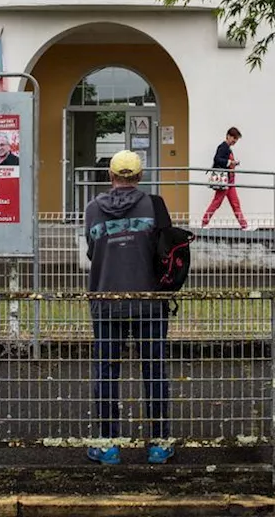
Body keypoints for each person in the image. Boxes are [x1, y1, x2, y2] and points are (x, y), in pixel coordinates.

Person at [84, 149, 174, 466]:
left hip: (106, 301)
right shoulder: (155, 206)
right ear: (139, 176)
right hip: (149, 301)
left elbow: (93, 251)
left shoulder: (93, 209)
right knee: (154, 370)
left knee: (107, 371)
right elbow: (167, 251)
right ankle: (159, 444)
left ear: (111, 175)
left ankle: (109, 445)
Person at [201, 126, 250, 231]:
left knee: (234, 203)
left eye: (236, 139)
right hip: (225, 181)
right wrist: (230, 162)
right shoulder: (223, 147)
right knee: (217, 202)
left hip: (230, 181)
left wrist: (233, 163)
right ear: (228, 136)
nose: (235, 141)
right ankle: (204, 222)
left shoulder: (227, 148)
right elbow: (217, 159)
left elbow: (221, 160)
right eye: (234, 138)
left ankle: (244, 225)